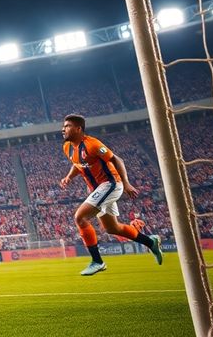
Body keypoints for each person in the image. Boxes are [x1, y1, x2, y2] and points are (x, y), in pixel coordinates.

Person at [59, 114, 164, 275]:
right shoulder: (67, 147)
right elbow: (77, 164)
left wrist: (126, 183)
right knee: (112, 228)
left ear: (78, 129)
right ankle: (151, 241)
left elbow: (117, 160)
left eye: (67, 126)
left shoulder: (92, 144)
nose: (63, 129)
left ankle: (97, 261)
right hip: (97, 189)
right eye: (64, 126)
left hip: (110, 184)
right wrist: (68, 177)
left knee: (80, 217)